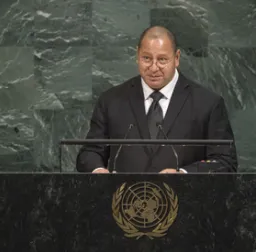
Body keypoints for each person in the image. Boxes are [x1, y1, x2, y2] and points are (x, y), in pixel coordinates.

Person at [76, 26, 237, 173]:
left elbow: (225, 161)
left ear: (177, 58)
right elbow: (90, 153)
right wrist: (97, 170)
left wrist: (184, 175)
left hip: (186, 200)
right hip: (125, 200)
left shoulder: (208, 104)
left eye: (162, 60)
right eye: (146, 58)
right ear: (137, 56)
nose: (153, 68)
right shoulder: (111, 100)